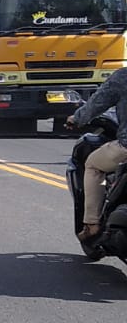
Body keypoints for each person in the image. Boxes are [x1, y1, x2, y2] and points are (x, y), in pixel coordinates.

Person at [66, 68, 127, 239]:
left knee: (92, 164)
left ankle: (92, 223)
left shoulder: (123, 77)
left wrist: (76, 118)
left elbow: (97, 104)